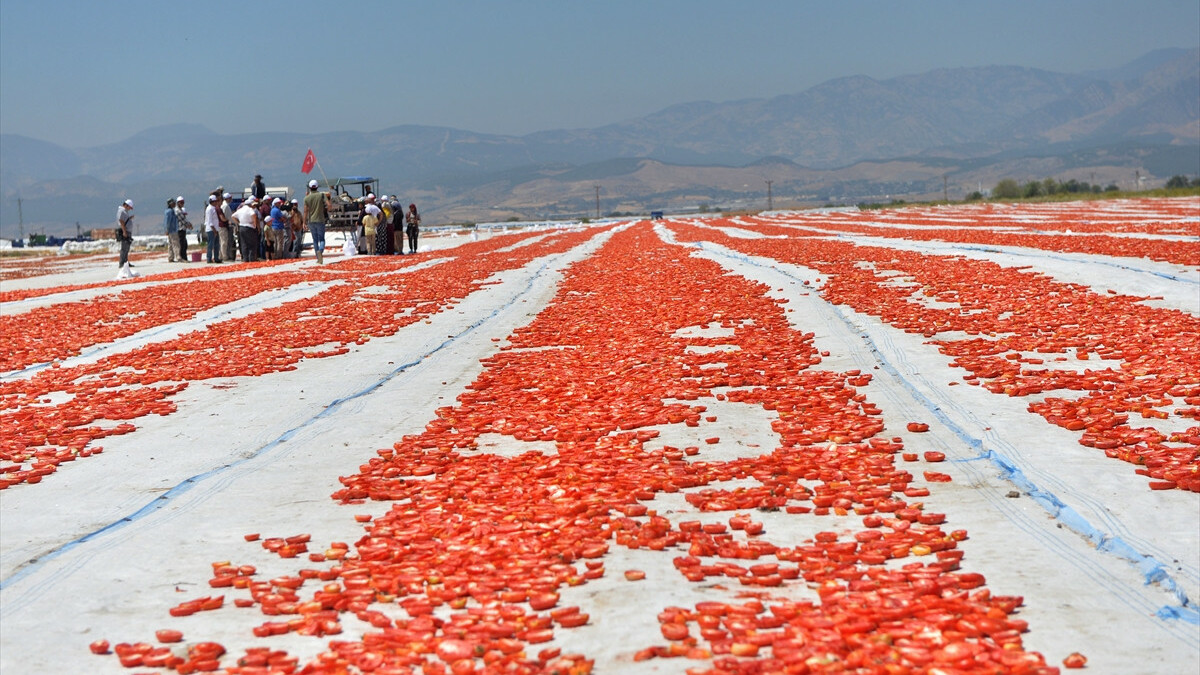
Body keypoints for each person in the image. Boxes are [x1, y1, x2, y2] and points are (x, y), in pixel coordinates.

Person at [303, 179, 331, 264]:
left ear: (310, 188)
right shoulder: (322, 195)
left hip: (311, 221)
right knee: (321, 239)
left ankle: (318, 257)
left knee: (315, 240)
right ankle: (320, 251)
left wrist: (304, 222)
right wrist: (326, 210)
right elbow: (329, 205)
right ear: (317, 187)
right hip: (320, 219)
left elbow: (305, 211)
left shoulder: (306, 198)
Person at [233, 197, 260, 263]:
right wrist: (254, 224)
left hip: (242, 227)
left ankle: (245, 259)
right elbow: (254, 215)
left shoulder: (241, 209)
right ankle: (251, 258)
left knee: (244, 244)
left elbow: (233, 216)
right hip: (249, 227)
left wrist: (239, 222)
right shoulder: (250, 209)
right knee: (252, 244)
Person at [116, 199, 134, 268]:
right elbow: (121, 221)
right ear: (126, 205)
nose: (130, 209)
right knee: (124, 248)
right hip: (125, 231)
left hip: (127, 231)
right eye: (129, 207)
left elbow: (124, 220)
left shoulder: (124, 211)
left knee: (127, 248)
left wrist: (129, 218)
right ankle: (122, 263)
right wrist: (124, 232)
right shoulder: (122, 211)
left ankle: (125, 262)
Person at [204, 194, 222, 263]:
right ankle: (209, 258)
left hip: (215, 229)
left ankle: (216, 258)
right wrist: (214, 230)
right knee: (210, 244)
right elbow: (210, 221)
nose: (216, 202)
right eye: (215, 201)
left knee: (216, 244)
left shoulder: (213, 208)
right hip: (211, 229)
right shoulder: (209, 209)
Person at [221, 192, 237, 262]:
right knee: (226, 242)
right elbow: (223, 216)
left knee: (229, 241)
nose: (231, 199)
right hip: (227, 225)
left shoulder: (227, 205)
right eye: (230, 198)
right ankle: (226, 255)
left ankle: (227, 255)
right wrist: (227, 221)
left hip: (229, 225)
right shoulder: (225, 206)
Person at [175, 197, 192, 261]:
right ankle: (183, 257)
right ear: (178, 203)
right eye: (181, 202)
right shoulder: (178, 211)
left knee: (184, 244)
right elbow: (183, 220)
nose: (182, 204)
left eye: (183, 202)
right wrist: (189, 225)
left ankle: (184, 257)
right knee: (182, 244)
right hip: (180, 229)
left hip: (183, 228)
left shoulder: (181, 210)